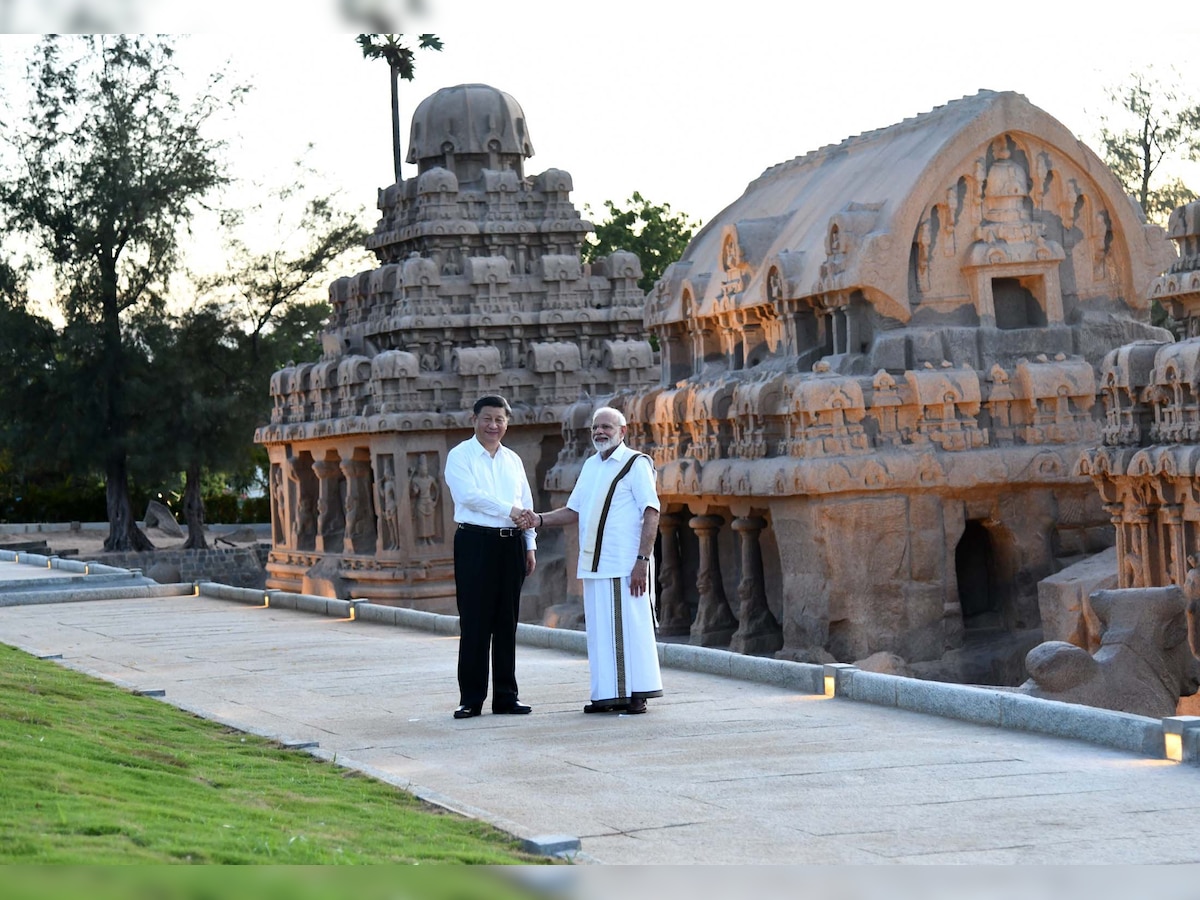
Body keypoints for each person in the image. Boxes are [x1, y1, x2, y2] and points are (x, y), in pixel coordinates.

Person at [519, 406, 662, 714]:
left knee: (630, 629)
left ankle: (636, 694)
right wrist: (538, 520)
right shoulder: (590, 466)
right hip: (595, 566)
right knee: (601, 634)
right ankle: (609, 695)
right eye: (596, 427)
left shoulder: (635, 464)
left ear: (622, 432)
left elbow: (651, 511)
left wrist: (642, 560)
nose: (600, 432)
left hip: (625, 565)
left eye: (607, 427)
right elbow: (575, 511)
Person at [444, 395, 537, 719]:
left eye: (499, 420)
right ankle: (471, 698)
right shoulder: (460, 456)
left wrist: (529, 544)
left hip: (510, 544)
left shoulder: (513, 459)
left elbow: (525, 503)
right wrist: (509, 511)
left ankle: (506, 697)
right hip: (475, 542)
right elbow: (469, 496)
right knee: (475, 622)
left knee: (506, 622)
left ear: (507, 423)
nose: (493, 426)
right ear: (474, 419)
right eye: (487, 419)